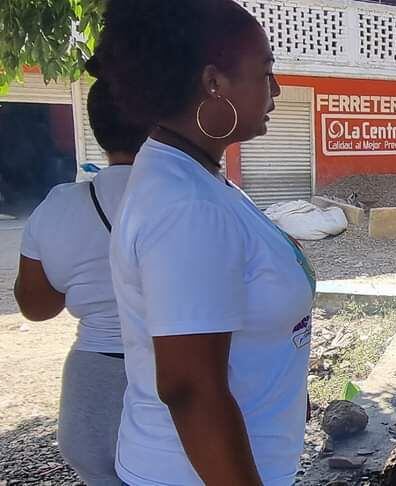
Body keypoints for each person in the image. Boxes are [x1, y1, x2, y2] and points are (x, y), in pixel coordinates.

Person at [86, 0, 315, 484]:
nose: (276, 89)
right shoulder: (187, 205)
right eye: (266, 71)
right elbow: (190, 387)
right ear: (214, 83)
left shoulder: (196, 176)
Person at [13, 81, 150, 485]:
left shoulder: (60, 205)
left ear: (97, 128)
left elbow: (36, 308)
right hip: (186, 372)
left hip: (94, 389)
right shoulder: (198, 199)